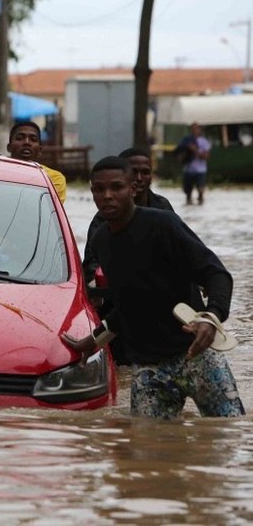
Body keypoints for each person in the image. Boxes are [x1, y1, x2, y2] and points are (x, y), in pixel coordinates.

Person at [62, 156, 244, 420]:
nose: (108, 196)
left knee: (228, 434)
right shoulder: (101, 241)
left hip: (197, 356)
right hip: (149, 368)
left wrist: (211, 317)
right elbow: (129, 306)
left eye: (116, 187)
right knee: (147, 450)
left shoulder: (163, 225)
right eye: (99, 190)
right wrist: (92, 341)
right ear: (92, 192)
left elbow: (216, 274)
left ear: (132, 189)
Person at [82, 147, 175, 365]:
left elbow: (199, 263)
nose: (140, 179)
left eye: (146, 172)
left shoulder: (164, 215)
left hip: (162, 310)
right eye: (135, 173)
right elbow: (91, 269)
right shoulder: (102, 226)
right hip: (121, 306)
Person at [6, 121, 66, 203]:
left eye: (33, 139)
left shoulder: (54, 179)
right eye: (20, 138)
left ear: (39, 150)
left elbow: (48, 208)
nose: (27, 142)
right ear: (9, 147)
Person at [177, 122, 211, 205]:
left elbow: (206, 156)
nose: (194, 130)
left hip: (200, 170)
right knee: (188, 193)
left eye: (196, 128)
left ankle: (200, 202)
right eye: (193, 128)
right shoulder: (186, 141)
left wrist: (195, 150)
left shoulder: (203, 142)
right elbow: (179, 155)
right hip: (188, 170)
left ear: (199, 130)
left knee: (200, 190)